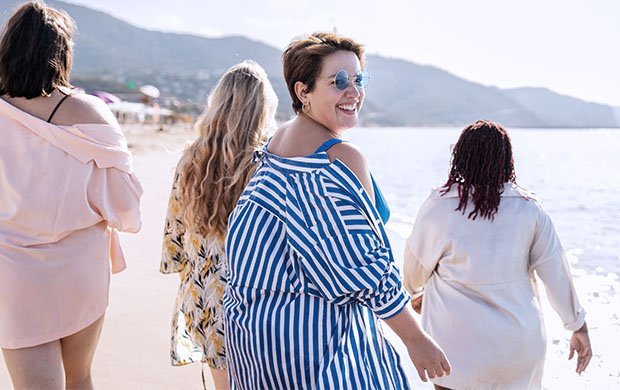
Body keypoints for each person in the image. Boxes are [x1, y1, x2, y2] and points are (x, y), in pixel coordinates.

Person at [223, 32, 451, 390]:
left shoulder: (275, 146)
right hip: (313, 348)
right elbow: (365, 266)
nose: (354, 92)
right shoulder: (336, 159)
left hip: (255, 338)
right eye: (339, 81)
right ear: (303, 92)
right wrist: (416, 339)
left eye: (358, 79)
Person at [0, 2, 142, 389]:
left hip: (12, 273)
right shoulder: (89, 112)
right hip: (79, 270)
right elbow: (125, 206)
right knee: (80, 379)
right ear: (62, 54)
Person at [403, 120, 592, 390]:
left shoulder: (439, 206)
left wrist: (417, 293)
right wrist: (578, 326)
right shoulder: (529, 208)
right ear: (506, 159)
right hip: (516, 351)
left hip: (455, 350)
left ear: (460, 157)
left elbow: (414, 270)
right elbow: (556, 273)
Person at [160, 61, 278, 390]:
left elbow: (174, 239)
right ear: (264, 108)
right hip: (251, 301)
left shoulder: (190, 160)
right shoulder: (269, 164)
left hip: (203, 297)